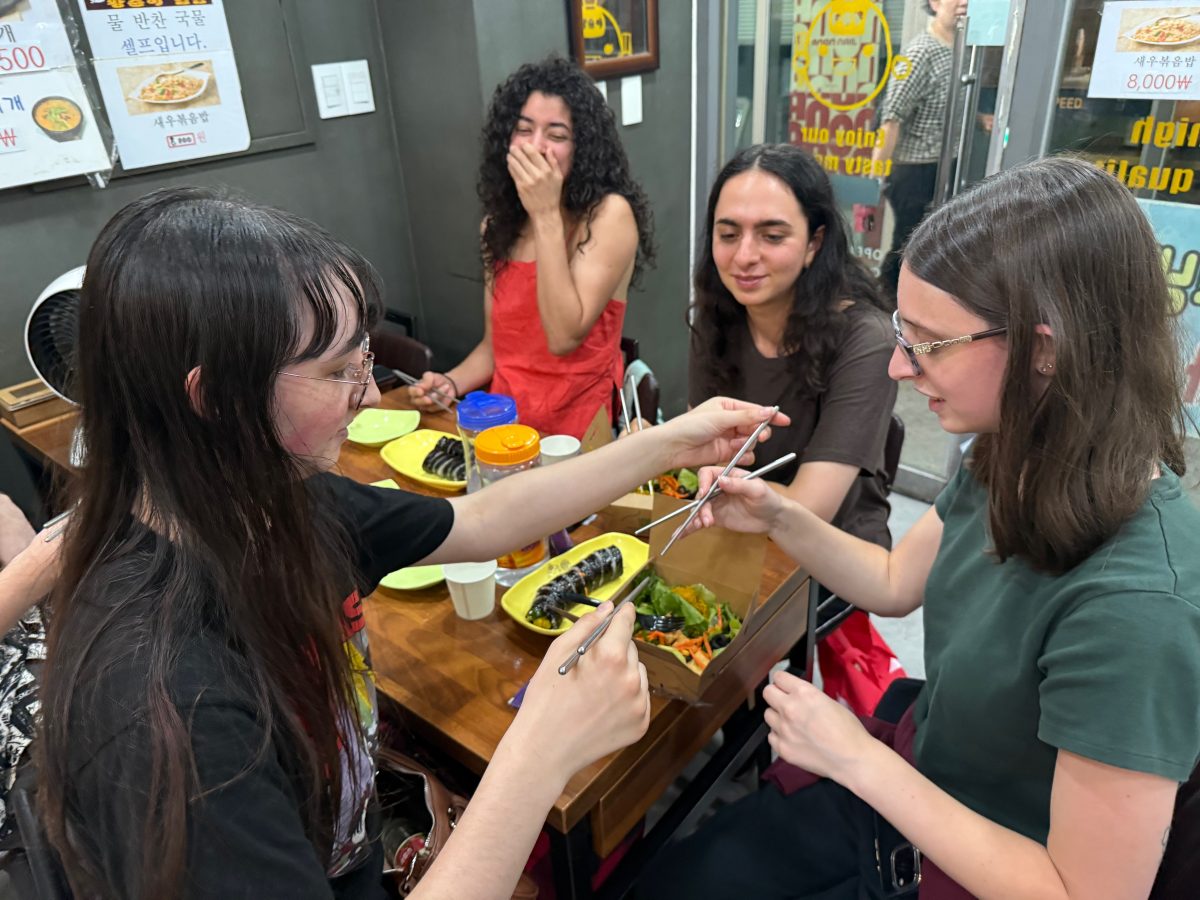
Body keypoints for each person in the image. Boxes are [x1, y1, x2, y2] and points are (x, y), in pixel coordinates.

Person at [36, 187, 784, 899]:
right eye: (338, 371)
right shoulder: (165, 711)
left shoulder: (274, 505)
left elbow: (483, 521)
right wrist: (541, 751)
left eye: (365, 361)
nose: (366, 393)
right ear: (216, 399)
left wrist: (666, 446)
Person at [637, 157, 1200, 898]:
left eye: (928, 344)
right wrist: (776, 514)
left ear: (1043, 351)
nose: (900, 367)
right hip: (920, 784)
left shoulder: (1138, 609)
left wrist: (858, 762)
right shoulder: (1010, 453)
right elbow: (896, 583)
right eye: (903, 333)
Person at [411, 56, 655, 438]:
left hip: (575, 434)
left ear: (582, 148)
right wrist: (450, 383)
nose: (536, 147)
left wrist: (545, 214)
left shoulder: (610, 215)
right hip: (502, 425)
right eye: (524, 130)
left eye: (556, 136)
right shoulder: (498, 226)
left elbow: (563, 337)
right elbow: (498, 349)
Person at [689, 143, 897, 550]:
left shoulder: (866, 339)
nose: (744, 256)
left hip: (831, 555)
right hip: (735, 533)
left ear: (814, 244)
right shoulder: (717, 316)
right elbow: (703, 455)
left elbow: (810, 508)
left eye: (772, 236)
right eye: (728, 234)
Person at [872, 0, 968, 302]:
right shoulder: (919, 52)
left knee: (934, 242)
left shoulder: (963, 50)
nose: (963, 3)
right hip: (914, 168)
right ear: (935, 3)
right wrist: (877, 175)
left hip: (946, 164)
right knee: (908, 242)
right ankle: (886, 301)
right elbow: (892, 117)